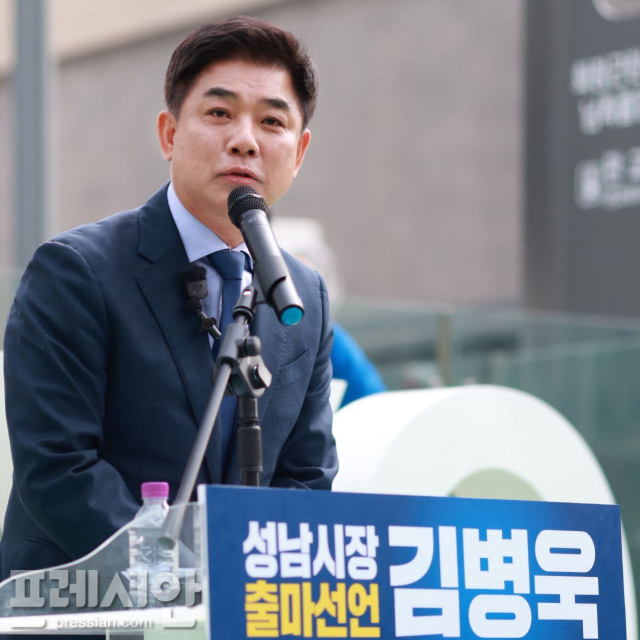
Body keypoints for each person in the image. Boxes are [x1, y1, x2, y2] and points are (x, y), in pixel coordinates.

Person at [0, 16, 337, 593]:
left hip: (236, 612)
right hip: (83, 606)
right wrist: (184, 577)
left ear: (299, 151)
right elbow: (60, 467)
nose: (246, 140)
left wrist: (244, 584)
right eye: (219, 112)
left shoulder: (303, 294)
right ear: (168, 134)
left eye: (272, 121)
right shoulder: (77, 270)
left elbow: (307, 475)